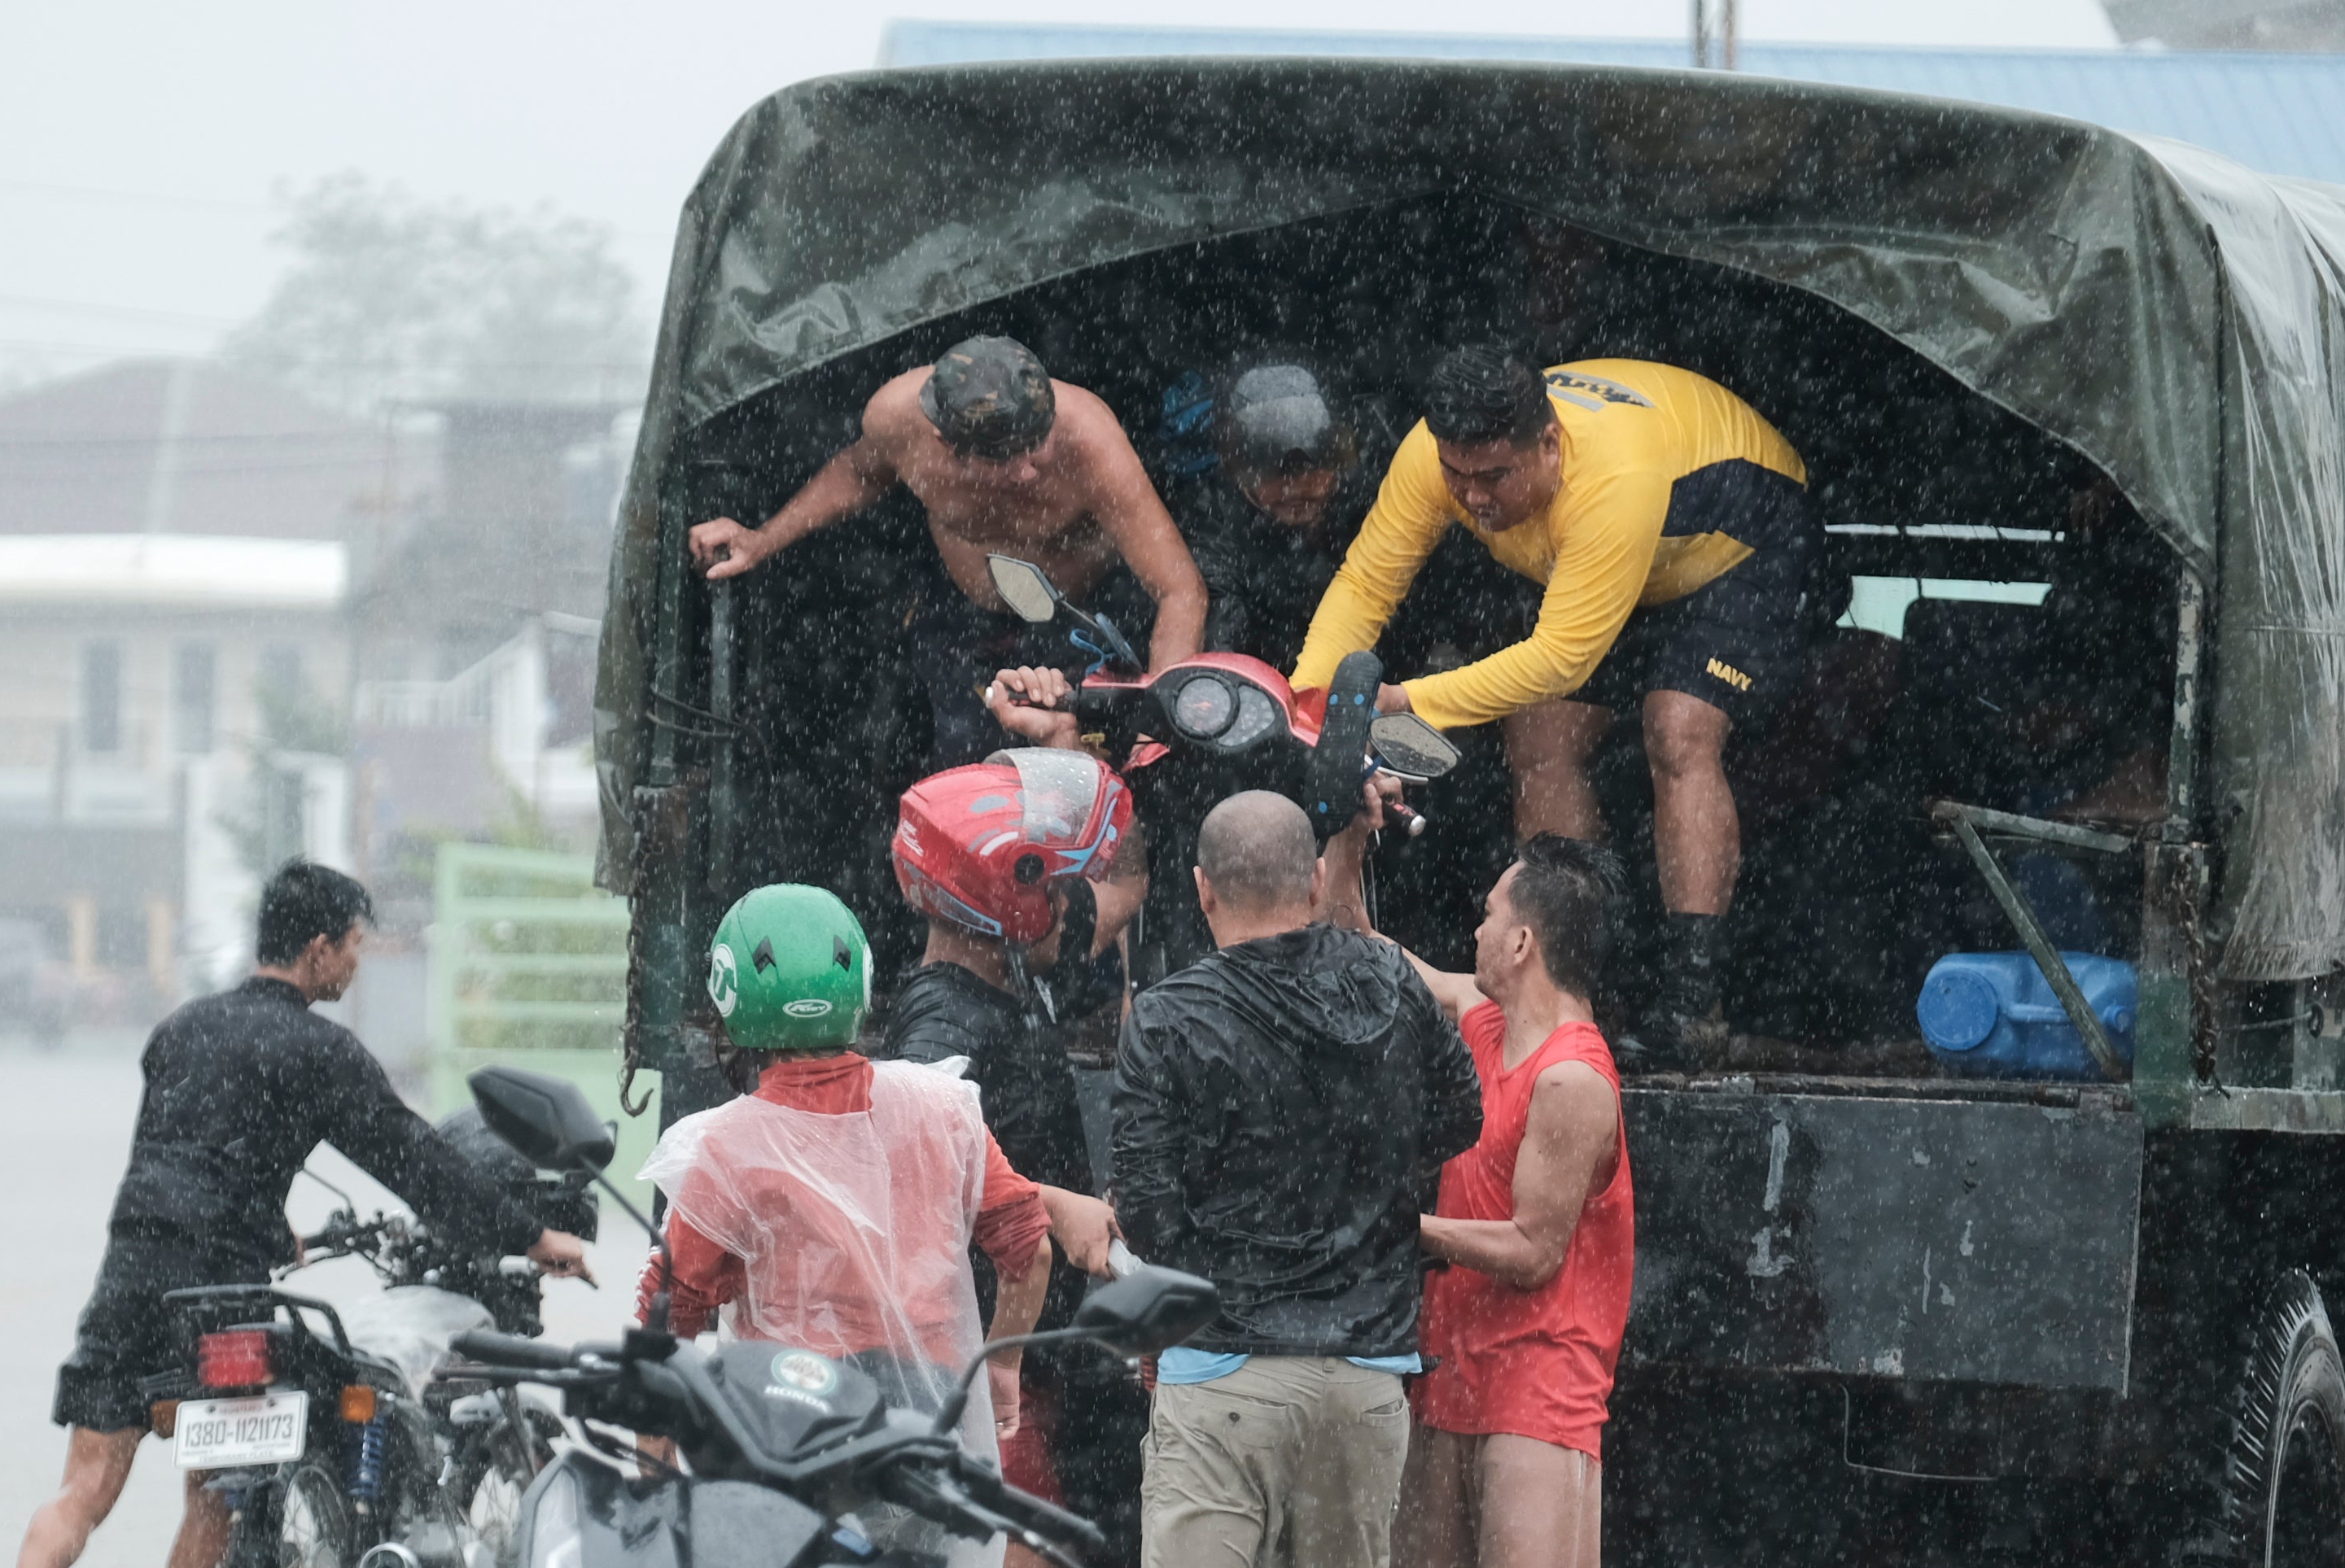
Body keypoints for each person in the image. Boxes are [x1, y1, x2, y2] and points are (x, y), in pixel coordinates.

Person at [0, 862, 590, 1568]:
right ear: (317, 948)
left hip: (131, 1275)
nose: (354, 965)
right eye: (352, 948)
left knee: (85, 1486)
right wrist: (530, 1235)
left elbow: (188, 1157)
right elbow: (415, 1162)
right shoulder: (321, 1051)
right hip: (226, 1294)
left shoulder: (180, 1029)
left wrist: (281, 1232)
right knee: (214, 1491)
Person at [1111, 790, 1483, 1568]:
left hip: (1220, 1367)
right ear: (1318, 882)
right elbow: (1458, 1123)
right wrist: (1359, 1185)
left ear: (1203, 891)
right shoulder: (1386, 986)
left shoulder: (1166, 1020)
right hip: (1366, 1373)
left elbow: (1149, 1219)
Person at [637, 883, 1106, 1568]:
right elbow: (1027, 1248)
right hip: (922, 1425)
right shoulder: (940, 1108)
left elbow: (668, 1323)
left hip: (791, 1433)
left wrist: (650, 1472)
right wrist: (998, 1368)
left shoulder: (725, 1149)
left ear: (732, 992)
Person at [1293, 346, 1815, 1065]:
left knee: (1678, 728)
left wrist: (1404, 701)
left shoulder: (1613, 477)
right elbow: (1365, 586)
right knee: (1539, 738)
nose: (1474, 499)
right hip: (1618, 554)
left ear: (1549, 444)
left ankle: (1695, 1005)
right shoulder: (1432, 454)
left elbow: (1561, 657)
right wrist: (1309, 706)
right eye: (1459, 478)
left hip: (1744, 539)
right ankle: (1574, 990)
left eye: (1496, 478)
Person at [1322, 811, 1632, 1568]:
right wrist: (1351, 831)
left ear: (1525, 943)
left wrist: (1394, 1225)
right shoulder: (1488, 1023)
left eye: (1492, 908)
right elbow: (1362, 948)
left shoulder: (1573, 1078)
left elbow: (1534, 1250)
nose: (1476, 919)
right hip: (1454, 1366)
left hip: (1542, 1379)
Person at [868, 751, 1136, 1568]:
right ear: (1009, 893)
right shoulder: (944, 1028)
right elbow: (919, 1158)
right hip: (977, 1358)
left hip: (994, 1351)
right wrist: (1052, 1201)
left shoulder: (992, 983)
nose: (1079, 896)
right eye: (1057, 879)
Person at [685, 334, 1210, 768]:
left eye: (1038, 441)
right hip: (967, 626)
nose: (1031, 467)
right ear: (947, 443)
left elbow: (1179, 588)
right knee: (970, 776)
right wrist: (762, 539)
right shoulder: (898, 421)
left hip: (1079, 627)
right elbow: (857, 474)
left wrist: (1157, 720)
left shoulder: (1089, 440)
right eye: (1008, 456)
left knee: (1081, 782)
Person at [1175, 361, 1398, 664]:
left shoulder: (1379, 493)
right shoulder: (1212, 514)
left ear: (1341, 461)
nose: (1293, 490)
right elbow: (1219, 619)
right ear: (1235, 470)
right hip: (1265, 681)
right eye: (1269, 472)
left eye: (1312, 469)